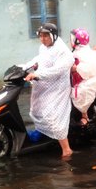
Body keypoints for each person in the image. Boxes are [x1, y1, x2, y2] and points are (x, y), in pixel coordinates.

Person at [24, 23, 74, 158]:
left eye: (46, 36)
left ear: (53, 35)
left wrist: (38, 75)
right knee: (37, 109)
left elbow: (58, 70)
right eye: (40, 36)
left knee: (52, 116)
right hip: (44, 85)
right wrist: (23, 67)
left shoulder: (63, 51)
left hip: (58, 88)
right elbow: (38, 60)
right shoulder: (43, 47)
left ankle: (66, 149)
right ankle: (42, 132)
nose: (42, 39)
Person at [70, 28, 96, 126]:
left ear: (77, 40)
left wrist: (76, 68)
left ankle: (85, 117)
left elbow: (89, 70)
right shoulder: (77, 51)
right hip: (80, 80)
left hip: (91, 81)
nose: (70, 41)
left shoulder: (88, 53)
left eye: (72, 38)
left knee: (80, 92)